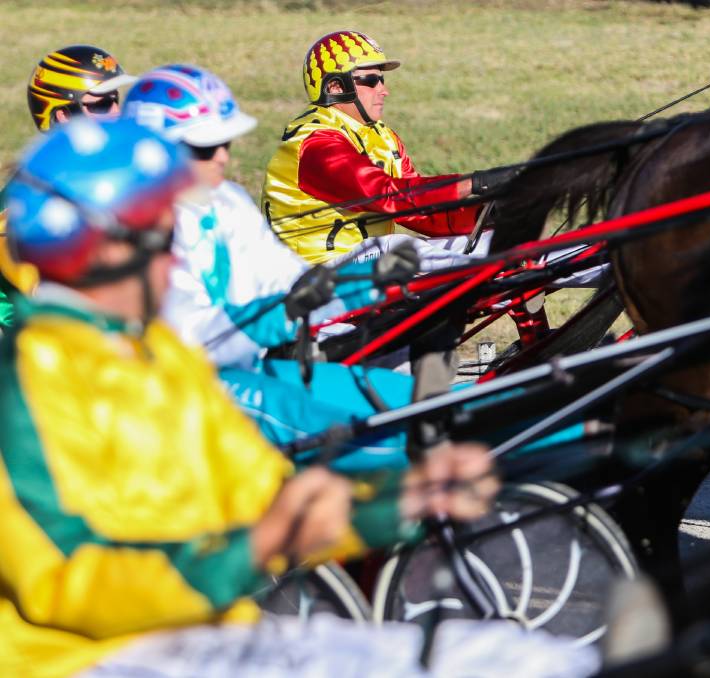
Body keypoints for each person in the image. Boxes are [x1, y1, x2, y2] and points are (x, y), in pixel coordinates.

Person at [0, 117, 596, 678]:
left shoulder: (161, 359)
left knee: (515, 659)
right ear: (107, 251)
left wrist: (396, 498)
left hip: (202, 634)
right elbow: (71, 584)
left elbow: (264, 494)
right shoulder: (25, 386)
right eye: (164, 236)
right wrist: (260, 546)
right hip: (85, 661)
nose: (177, 257)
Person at [122, 64, 424, 466]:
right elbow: (188, 342)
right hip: (188, 391)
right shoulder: (130, 227)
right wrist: (279, 314)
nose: (222, 157)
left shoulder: (224, 200)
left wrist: (355, 283)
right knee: (399, 443)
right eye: (203, 148)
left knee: (423, 402)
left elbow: (285, 277)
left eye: (225, 141)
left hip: (251, 370)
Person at [262, 30, 511, 269]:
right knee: (397, 248)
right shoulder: (316, 144)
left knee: (505, 242)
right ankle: (474, 275)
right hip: (309, 277)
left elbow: (418, 212)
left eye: (382, 79)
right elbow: (386, 196)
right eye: (371, 80)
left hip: (363, 267)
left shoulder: (383, 138)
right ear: (335, 88)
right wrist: (476, 182)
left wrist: (486, 215)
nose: (383, 90)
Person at [0, 44, 138, 329]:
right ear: (63, 115)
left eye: (115, 100)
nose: (115, 113)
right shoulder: (25, 206)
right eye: (100, 104)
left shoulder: (106, 180)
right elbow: (55, 310)